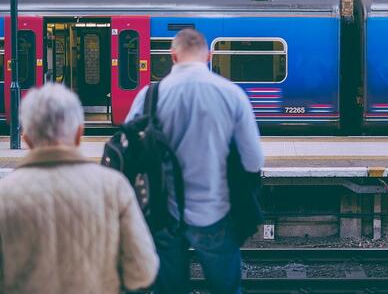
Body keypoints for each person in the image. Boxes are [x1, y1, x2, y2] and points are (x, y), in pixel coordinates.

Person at [126, 28, 264, 294]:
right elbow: (253, 160)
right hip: (216, 212)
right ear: (209, 56)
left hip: (164, 213)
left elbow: (130, 151)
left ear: (173, 56)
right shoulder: (231, 94)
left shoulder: (149, 96)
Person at [0, 83, 159, 294]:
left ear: (27, 139)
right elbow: (143, 271)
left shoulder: (5, 194)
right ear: (79, 133)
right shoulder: (113, 187)